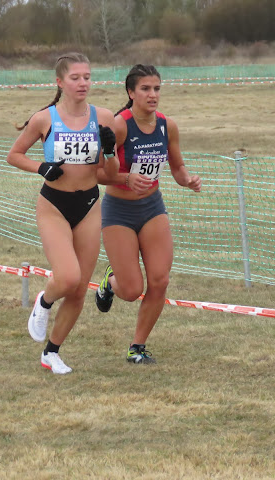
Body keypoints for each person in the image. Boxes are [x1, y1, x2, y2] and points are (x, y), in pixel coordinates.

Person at [7, 52, 118, 375]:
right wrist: (41, 167)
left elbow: (109, 174)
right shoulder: (45, 119)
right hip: (54, 205)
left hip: (89, 205)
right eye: (75, 78)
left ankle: (51, 353)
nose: (83, 83)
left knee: (80, 288)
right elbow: (14, 155)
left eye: (87, 77)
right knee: (67, 278)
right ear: (60, 82)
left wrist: (110, 151)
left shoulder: (103, 117)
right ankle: (44, 300)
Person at [95, 64, 202, 364]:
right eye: (145, 89)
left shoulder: (167, 125)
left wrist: (188, 180)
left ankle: (137, 347)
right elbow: (97, 174)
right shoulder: (119, 126)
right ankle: (111, 281)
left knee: (160, 280)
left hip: (152, 208)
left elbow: (177, 167)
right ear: (131, 92)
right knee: (132, 290)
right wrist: (126, 178)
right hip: (119, 211)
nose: (152, 94)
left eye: (156, 88)